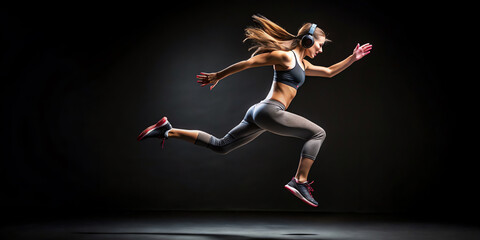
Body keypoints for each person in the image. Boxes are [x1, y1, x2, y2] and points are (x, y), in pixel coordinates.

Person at [137, 15, 372, 207]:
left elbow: (329, 72)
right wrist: (218, 75)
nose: (320, 50)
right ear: (308, 41)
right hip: (270, 111)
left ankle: (167, 130)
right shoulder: (285, 56)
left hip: (260, 114)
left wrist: (352, 58)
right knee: (318, 133)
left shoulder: (303, 64)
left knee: (222, 146)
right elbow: (250, 63)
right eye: (319, 45)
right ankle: (299, 181)